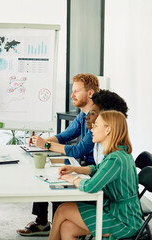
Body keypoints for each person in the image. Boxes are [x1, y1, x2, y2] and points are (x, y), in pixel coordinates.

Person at [17, 73, 99, 236]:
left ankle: (54, 226)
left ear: (90, 93)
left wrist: (47, 145)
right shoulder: (83, 114)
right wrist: (41, 142)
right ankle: (42, 222)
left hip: (90, 168)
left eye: (76, 91)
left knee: (56, 177)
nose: (72, 95)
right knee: (40, 172)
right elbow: (64, 136)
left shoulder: (96, 117)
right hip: (81, 163)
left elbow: (80, 149)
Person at [49, 110, 143, 240]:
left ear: (108, 130)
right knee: (67, 227)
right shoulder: (119, 153)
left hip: (123, 220)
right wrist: (75, 169)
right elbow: (99, 168)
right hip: (117, 212)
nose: (92, 129)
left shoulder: (115, 159)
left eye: (96, 125)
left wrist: (72, 178)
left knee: (63, 209)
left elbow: (90, 187)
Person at [85, 89, 129, 164]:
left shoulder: (114, 157)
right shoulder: (101, 139)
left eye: (92, 113)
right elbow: (99, 168)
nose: (87, 117)